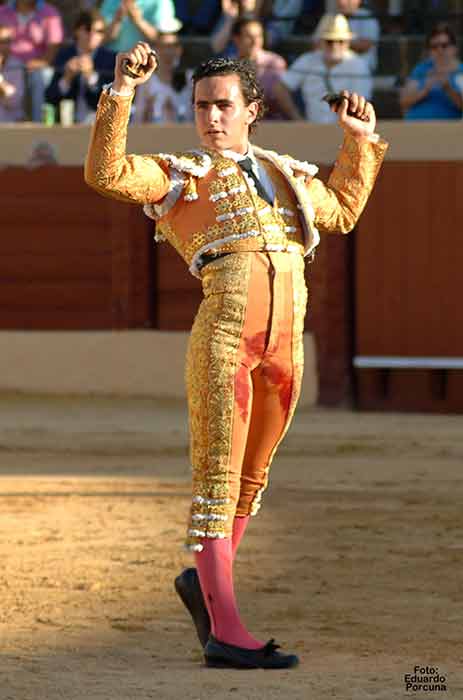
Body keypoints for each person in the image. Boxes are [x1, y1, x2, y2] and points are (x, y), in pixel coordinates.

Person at [85, 43, 387, 669]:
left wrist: (360, 139)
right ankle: (225, 631)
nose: (211, 118)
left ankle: (204, 582)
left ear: (253, 110)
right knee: (217, 483)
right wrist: (122, 94)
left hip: (285, 350)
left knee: (251, 483)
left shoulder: (288, 174)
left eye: (223, 106)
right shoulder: (181, 174)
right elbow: (107, 174)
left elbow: (345, 212)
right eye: (202, 106)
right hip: (225, 342)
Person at [274, 13, 372, 122]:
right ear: (320, 42)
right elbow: (280, 88)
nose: (335, 46)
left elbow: (361, 104)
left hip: (346, 130)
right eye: (329, 41)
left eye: (340, 41)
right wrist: (297, 118)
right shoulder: (307, 60)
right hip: (311, 130)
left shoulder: (358, 65)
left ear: (348, 42)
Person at [45, 10, 115, 124]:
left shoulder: (110, 58)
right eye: (88, 29)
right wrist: (66, 79)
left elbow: (111, 102)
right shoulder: (64, 55)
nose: (92, 35)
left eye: (99, 31)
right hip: (66, 125)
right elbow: (50, 99)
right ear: (77, 31)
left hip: (99, 124)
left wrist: (91, 77)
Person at [0, 0, 64, 122]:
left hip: (37, 68)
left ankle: (37, 124)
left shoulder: (49, 12)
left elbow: (53, 48)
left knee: (37, 77)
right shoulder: (2, 11)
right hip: (8, 65)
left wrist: (39, 63)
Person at [400, 23, 463, 121]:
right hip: (414, 126)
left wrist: (448, 88)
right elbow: (404, 102)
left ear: (454, 48)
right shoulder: (421, 69)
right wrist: (425, 89)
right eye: (434, 47)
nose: (439, 50)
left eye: (444, 45)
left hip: (448, 129)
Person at [226, 17, 287, 119]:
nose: (255, 41)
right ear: (236, 39)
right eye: (249, 37)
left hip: (270, 123)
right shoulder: (228, 66)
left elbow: (277, 98)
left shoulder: (275, 62)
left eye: (259, 36)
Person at [133, 23, 192, 122]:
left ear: (179, 50)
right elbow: (138, 120)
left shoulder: (190, 78)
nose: (167, 52)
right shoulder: (146, 82)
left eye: (172, 47)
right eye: (163, 47)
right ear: (156, 50)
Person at [100, 0, 180, 53]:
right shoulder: (110, 1)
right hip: (112, 60)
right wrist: (117, 20)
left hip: (146, 60)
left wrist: (138, 21)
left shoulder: (162, 2)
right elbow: (102, 38)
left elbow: (163, 38)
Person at [336, 0, 380, 72]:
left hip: (361, 71)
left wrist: (338, 42)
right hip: (335, 69)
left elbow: (365, 46)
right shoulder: (332, 16)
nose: (342, 2)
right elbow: (315, 45)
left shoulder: (367, 17)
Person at [0, 23, 24, 122]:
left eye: (6, 41)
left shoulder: (16, 65)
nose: (3, 45)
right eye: (1, 41)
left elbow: (14, 101)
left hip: (10, 125)